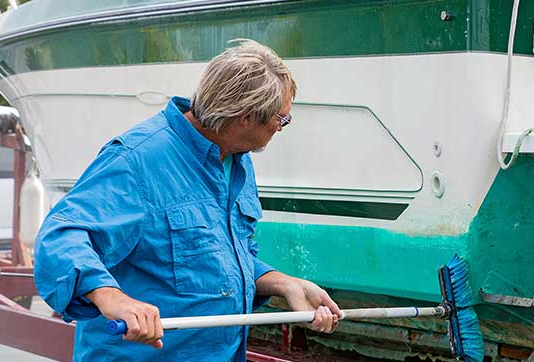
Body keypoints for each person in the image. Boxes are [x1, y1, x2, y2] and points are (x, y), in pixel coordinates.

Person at [34, 39, 341, 361]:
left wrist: (284, 283)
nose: (281, 128)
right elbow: (61, 235)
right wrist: (112, 297)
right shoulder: (137, 160)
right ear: (246, 116)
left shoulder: (235, 160)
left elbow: (214, 260)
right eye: (281, 118)